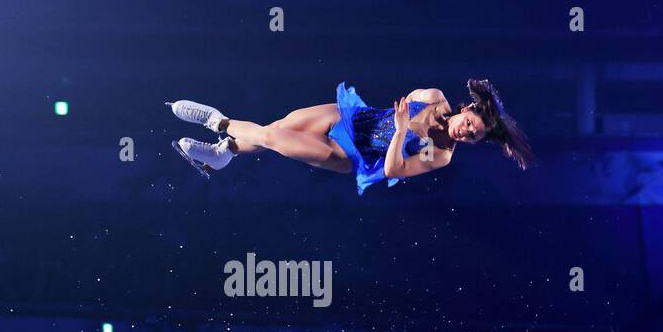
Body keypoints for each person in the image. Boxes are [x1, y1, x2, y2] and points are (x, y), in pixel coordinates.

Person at [169, 78, 532, 194]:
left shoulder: (440, 153)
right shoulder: (433, 98)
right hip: (352, 117)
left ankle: (217, 122)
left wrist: (404, 129)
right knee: (279, 127)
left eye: (472, 137)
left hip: (349, 153)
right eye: (470, 125)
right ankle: (225, 153)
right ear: (467, 110)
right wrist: (400, 118)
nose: (465, 133)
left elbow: (392, 170)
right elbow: (396, 109)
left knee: (271, 139)